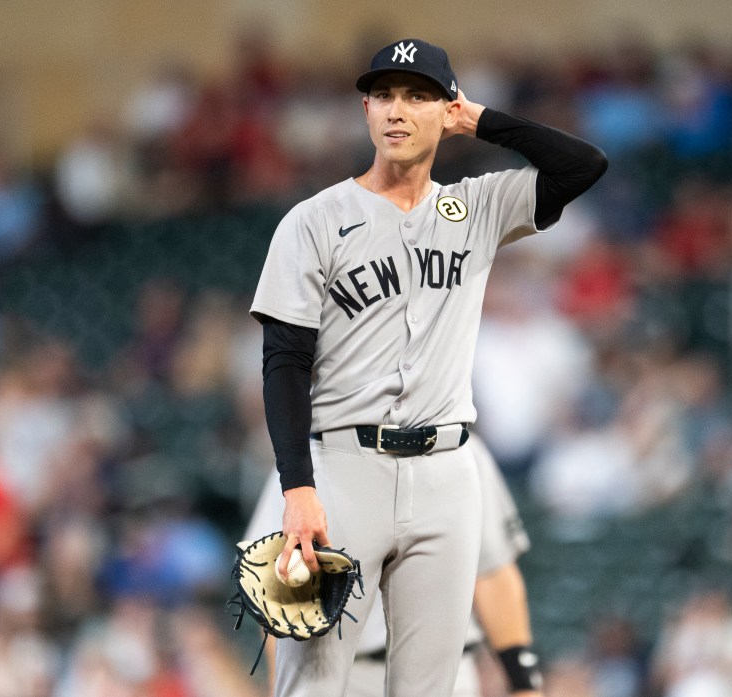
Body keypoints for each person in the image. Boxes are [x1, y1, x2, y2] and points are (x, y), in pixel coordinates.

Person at [249, 37, 606, 696]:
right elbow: (284, 361)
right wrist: (296, 486)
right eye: (383, 94)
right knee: (307, 682)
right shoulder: (312, 221)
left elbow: (584, 165)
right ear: (364, 109)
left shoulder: (473, 208)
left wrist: (483, 120)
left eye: (417, 95)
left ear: (445, 109)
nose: (396, 109)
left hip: (448, 471)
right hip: (340, 471)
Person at [243, 433, 544, 696]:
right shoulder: (306, 466)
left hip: (445, 674)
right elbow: (280, 594)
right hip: (344, 677)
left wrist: (523, 682)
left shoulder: (462, 451)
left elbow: (493, 575)